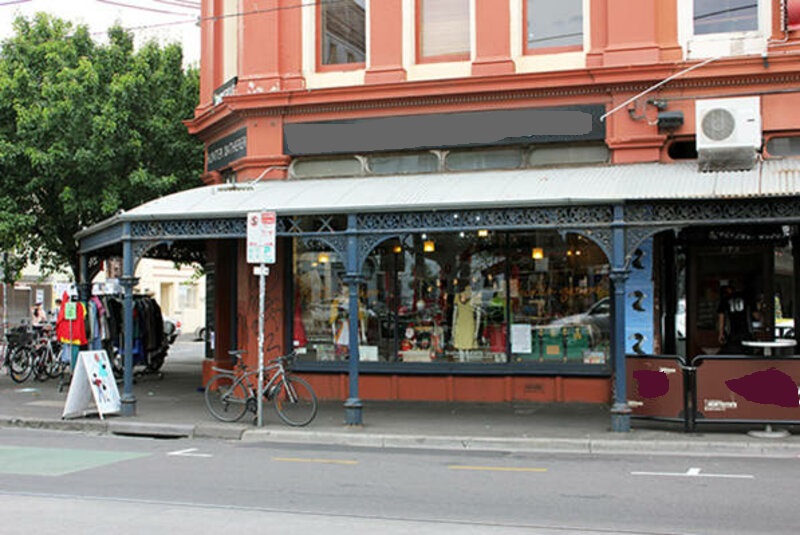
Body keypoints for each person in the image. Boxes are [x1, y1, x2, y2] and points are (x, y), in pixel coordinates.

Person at [717, 283, 754, 353]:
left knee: (734, 356)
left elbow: (721, 317)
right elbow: (755, 314)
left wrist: (721, 333)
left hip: (731, 333)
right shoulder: (747, 298)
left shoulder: (725, 299)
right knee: (748, 356)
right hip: (746, 332)